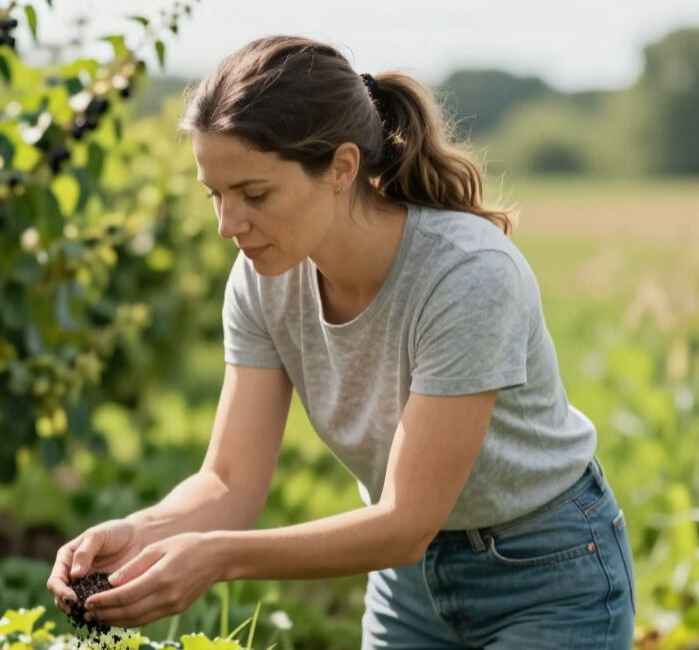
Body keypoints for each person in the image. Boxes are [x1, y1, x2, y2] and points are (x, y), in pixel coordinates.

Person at [46, 35, 636, 649]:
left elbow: (407, 520)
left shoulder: (468, 276)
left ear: (342, 166)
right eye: (215, 195)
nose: (228, 225)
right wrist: (138, 533)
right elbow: (229, 482)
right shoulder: (261, 279)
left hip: (547, 576)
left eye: (254, 194)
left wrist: (217, 557)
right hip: (407, 584)